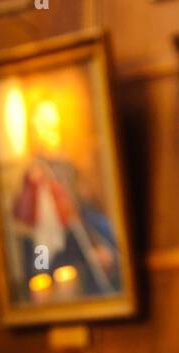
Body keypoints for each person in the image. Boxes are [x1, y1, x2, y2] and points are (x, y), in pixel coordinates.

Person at [11, 98, 120, 299]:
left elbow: (84, 207)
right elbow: (24, 216)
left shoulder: (68, 167)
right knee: (41, 275)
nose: (48, 130)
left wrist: (102, 248)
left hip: (74, 237)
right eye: (41, 124)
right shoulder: (31, 172)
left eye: (50, 123)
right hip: (43, 241)